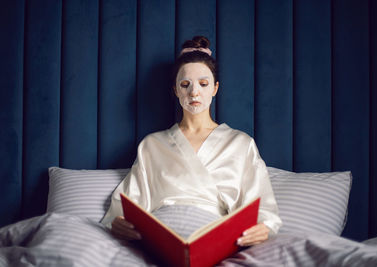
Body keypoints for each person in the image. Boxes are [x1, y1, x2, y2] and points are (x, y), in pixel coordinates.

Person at [101, 36, 282, 247]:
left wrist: (263, 228)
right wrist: (118, 221)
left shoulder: (241, 144)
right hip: (159, 240)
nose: (194, 92)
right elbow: (126, 204)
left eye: (203, 84)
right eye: (185, 84)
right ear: (176, 90)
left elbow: (262, 208)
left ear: (214, 88)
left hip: (215, 240)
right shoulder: (152, 145)